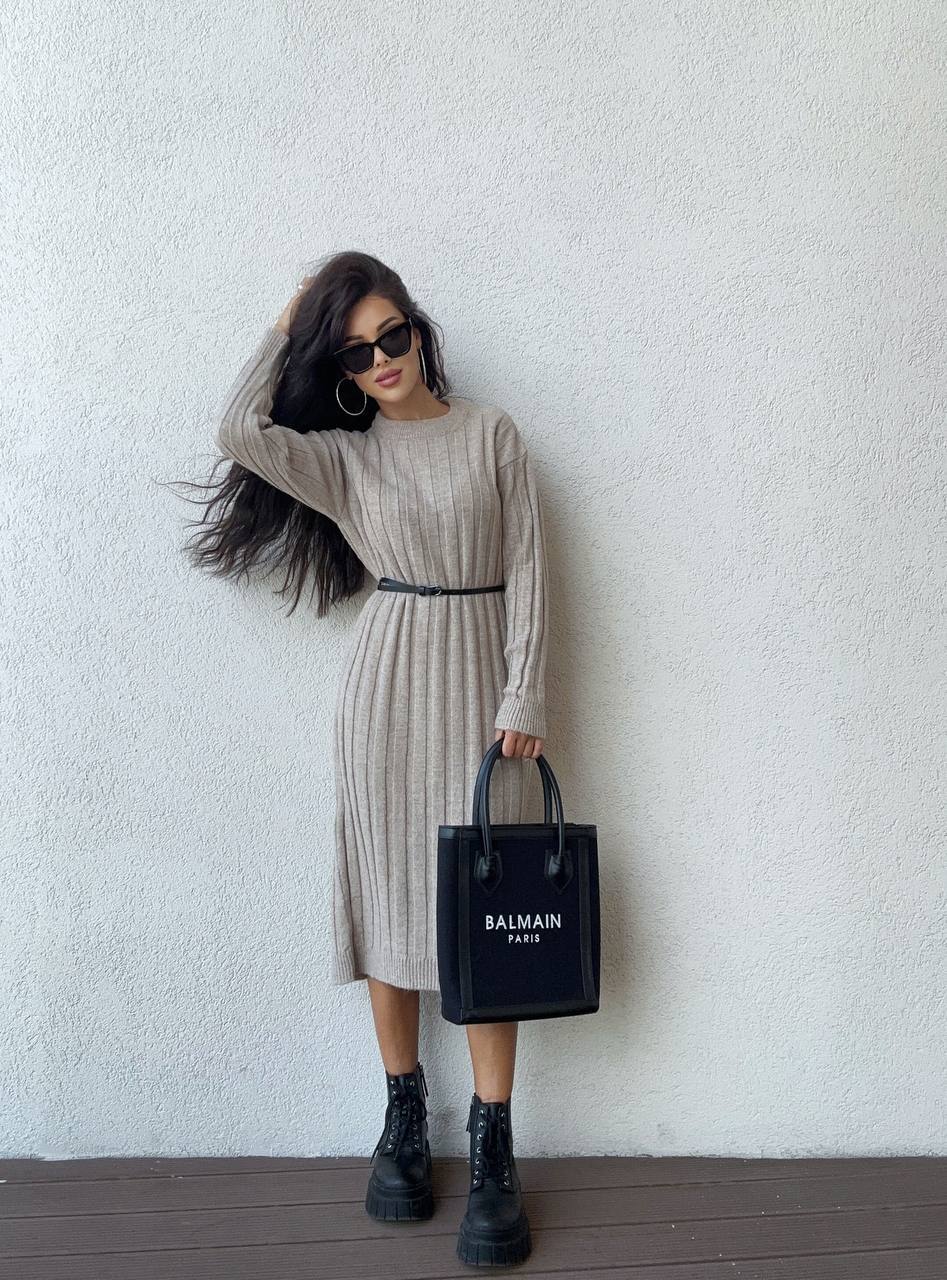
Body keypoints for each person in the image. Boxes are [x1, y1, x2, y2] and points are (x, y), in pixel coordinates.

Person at [189, 250, 548, 1268]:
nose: (381, 357)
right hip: (386, 692)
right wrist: (288, 314)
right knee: (389, 896)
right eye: (356, 349)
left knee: (486, 916)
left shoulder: (492, 435)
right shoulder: (346, 458)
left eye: (392, 334)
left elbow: (527, 565)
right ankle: (402, 1120)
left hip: (484, 695)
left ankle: (491, 1147)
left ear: (418, 333)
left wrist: (524, 690)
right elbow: (236, 431)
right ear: (343, 371)